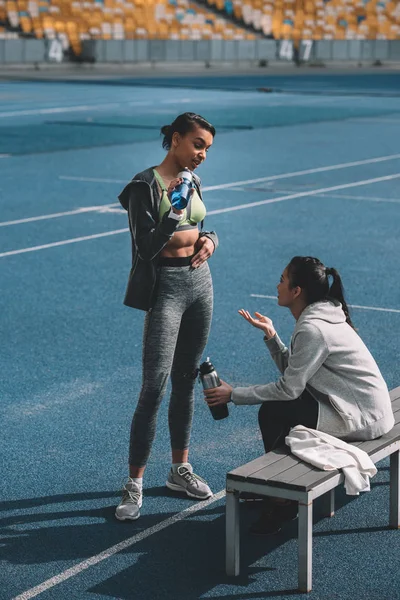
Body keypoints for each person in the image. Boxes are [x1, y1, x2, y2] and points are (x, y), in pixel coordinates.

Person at [204, 255, 394, 534]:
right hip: (366, 409)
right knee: (283, 409)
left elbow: (288, 388)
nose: (277, 285)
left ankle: (282, 501)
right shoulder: (322, 316)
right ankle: (278, 490)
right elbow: (298, 373)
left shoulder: (312, 328)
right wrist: (272, 337)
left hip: (363, 418)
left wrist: (234, 395)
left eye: (282, 280)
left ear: (297, 291)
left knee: (274, 410)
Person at [116, 112, 218, 521]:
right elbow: (145, 247)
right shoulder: (143, 186)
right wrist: (173, 212)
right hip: (166, 291)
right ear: (175, 140)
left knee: (186, 381)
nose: (202, 154)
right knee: (154, 388)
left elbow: (202, 223)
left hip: (201, 285)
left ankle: (179, 469)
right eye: (197, 144)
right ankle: (134, 483)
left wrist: (211, 239)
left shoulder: (193, 181)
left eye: (207, 148)